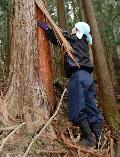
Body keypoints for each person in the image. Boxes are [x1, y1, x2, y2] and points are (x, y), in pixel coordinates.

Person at [38, 20, 103, 148]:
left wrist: (46, 29)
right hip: (88, 77)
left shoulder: (73, 39)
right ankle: (100, 138)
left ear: (78, 30)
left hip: (77, 76)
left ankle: (89, 138)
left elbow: (57, 38)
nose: (72, 28)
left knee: (77, 105)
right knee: (91, 106)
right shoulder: (84, 42)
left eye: (75, 27)